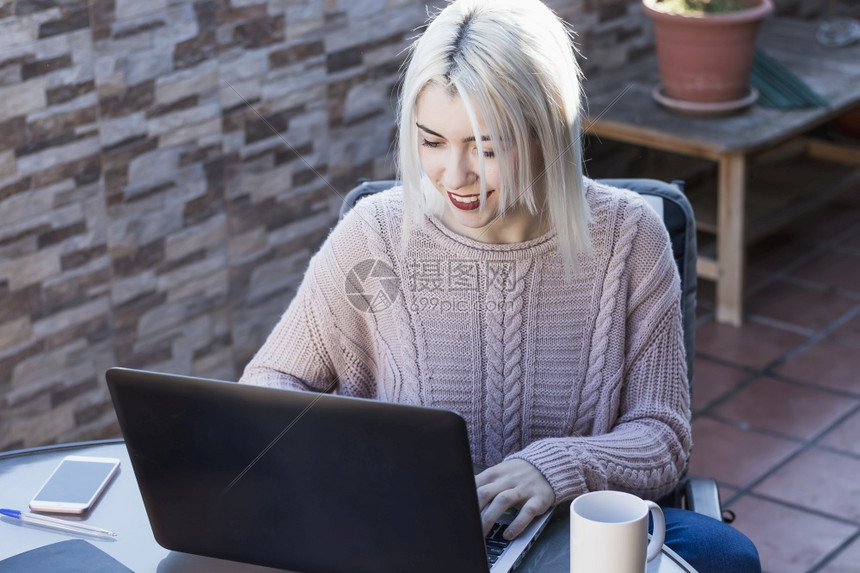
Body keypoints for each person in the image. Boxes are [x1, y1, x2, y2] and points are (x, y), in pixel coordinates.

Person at [239, 0, 761, 571]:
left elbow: (661, 436)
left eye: (486, 148)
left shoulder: (629, 238)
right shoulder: (378, 239)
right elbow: (273, 380)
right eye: (432, 141)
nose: (454, 176)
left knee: (724, 556)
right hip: (410, 533)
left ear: (548, 131)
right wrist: (350, 458)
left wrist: (558, 468)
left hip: (570, 533)